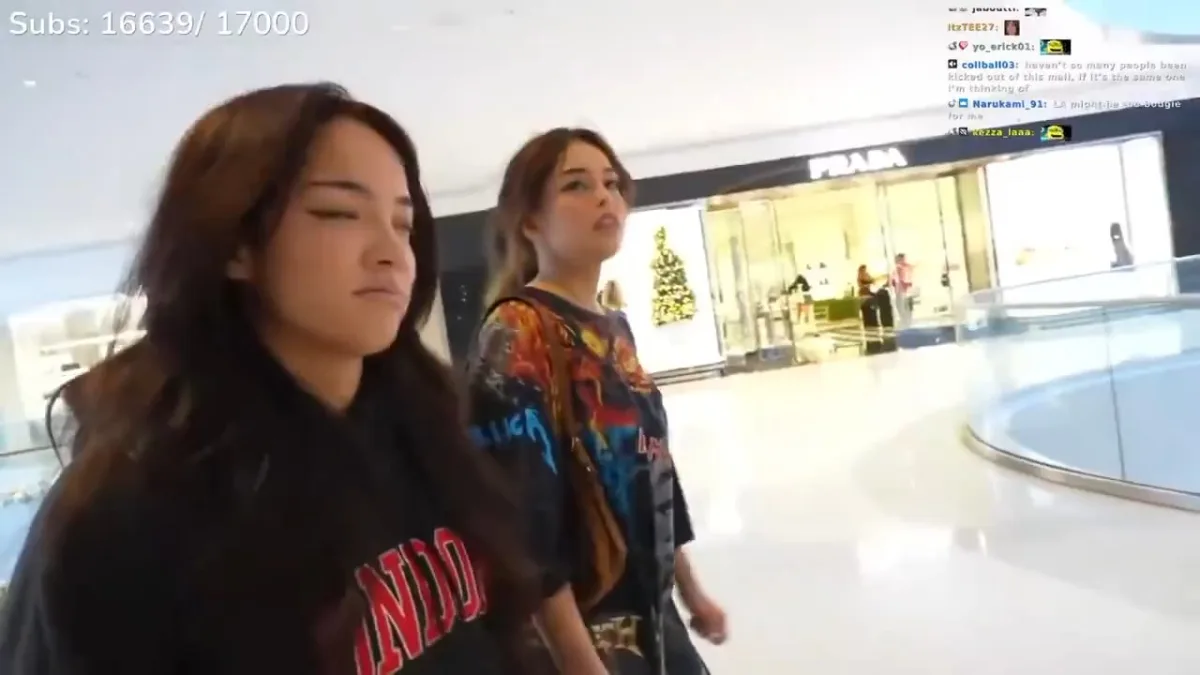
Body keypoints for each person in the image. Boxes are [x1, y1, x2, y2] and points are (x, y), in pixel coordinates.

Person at [0, 83, 540, 674]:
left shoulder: (425, 426)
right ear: (235, 244)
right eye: (339, 213)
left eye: (403, 223)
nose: (392, 252)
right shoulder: (129, 508)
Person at [466, 128, 726, 674]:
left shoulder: (615, 329)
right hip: (581, 637)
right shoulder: (517, 332)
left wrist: (689, 590)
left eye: (611, 182)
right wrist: (582, 665)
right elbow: (521, 525)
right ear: (530, 220)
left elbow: (649, 469)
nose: (605, 197)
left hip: (652, 623)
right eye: (577, 185)